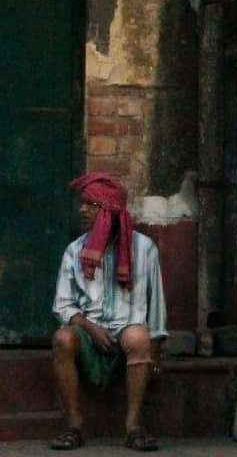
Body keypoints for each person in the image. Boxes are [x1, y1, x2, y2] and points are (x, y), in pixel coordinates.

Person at [49, 172, 167, 451]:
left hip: (128, 333)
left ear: (110, 211)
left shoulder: (144, 248)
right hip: (89, 334)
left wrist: (156, 350)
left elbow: (156, 304)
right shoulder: (75, 251)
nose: (83, 210)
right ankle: (74, 426)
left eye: (92, 205)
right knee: (62, 338)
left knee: (139, 336)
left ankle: (133, 427)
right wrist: (90, 327)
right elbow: (62, 305)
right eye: (83, 203)